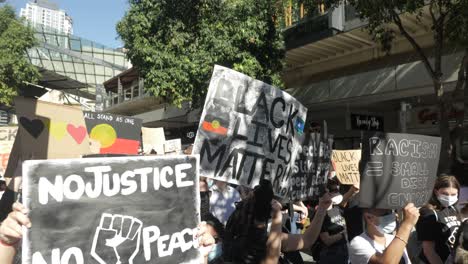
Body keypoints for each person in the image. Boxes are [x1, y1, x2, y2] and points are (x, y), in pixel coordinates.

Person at [349, 203, 420, 264]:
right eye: (386, 213)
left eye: (392, 211)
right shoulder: (358, 242)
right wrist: (407, 225)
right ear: (369, 217)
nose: (393, 215)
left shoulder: (392, 238)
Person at [416, 175, 462, 264]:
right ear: (436, 192)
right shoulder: (429, 213)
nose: (449, 198)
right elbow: (428, 251)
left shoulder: (453, 209)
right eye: (445, 194)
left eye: (453, 194)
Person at [317, 178, 352, 263]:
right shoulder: (320, 215)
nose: (337, 193)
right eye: (335, 190)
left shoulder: (338, 208)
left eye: (337, 190)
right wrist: (343, 234)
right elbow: (327, 240)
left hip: (345, 253)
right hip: (331, 256)